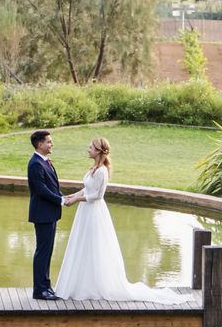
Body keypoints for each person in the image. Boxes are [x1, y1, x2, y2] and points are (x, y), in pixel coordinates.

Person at [56, 138, 191, 304]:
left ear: (98, 151)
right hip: (85, 212)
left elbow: (97, 196)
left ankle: (96, 285)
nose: (88, 149)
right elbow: (87, 188)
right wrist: (73, 196)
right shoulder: (93, 169)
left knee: (95, 245)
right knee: (83, 245)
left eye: (91, 147)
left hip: (94, 213)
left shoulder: (102, 171)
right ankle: (82, 283)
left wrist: (77, 200)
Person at [27, 130, 65, 300]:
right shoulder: (35, 163)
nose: (52, 144)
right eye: (49, 142)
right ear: (40, 144)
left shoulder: (45, 162)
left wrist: (63, 196)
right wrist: (61, 201)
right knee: (42, 251)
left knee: (47, 251)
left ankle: (46, 286)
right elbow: (41, 190)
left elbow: (52, 187)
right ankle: (39, 290)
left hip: (50, 214)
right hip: (43, 214)